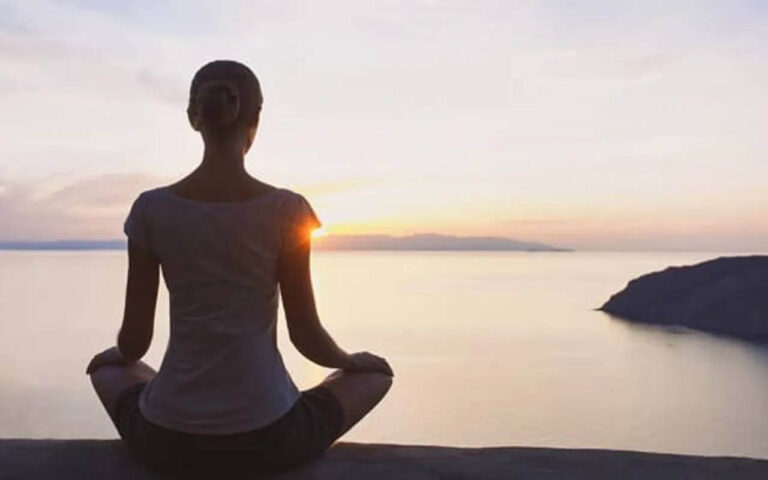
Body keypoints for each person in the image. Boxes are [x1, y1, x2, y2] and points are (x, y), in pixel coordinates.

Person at [86, 60, 394, 478]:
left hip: (166, 440)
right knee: (377, 377)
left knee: (108, 369)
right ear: (257, 119)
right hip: (268, 437)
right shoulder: (287, 210)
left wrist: (118, 356)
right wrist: (351, 360)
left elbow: (135, 343)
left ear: (193, 118)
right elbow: (307, 337)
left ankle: (175, 397)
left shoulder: (151, 210)